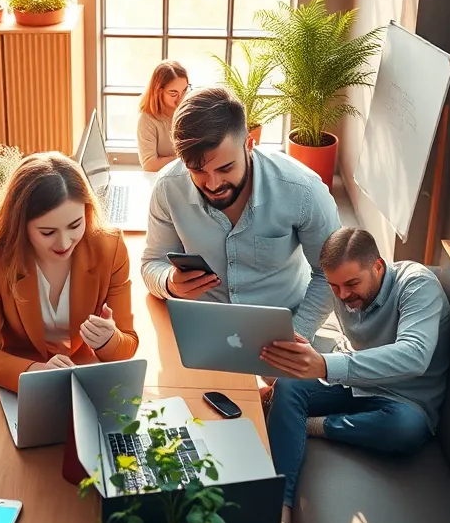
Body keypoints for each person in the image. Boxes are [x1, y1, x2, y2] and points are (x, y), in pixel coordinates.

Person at [262, 227, 450, 523]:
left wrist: (325, 364)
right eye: (335, 286)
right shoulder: (342, 289)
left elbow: (414, 355)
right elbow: (347, 346)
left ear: (378, 266)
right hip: (355, 383)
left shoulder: (417, 285)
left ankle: (313, 425)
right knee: (289, 386)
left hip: (405, 400)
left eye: (352, 284)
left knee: (405, 429)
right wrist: (297, 351)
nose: (344, 295)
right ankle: (281, 507)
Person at [141, 86, 341, 343]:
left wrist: (297, 335)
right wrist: (169, 282)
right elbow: (151, 264)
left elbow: (331, 273)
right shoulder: (168, 187)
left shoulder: (302, 190)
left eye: (225, 168)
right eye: (197, 171)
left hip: (284, 328)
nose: (213, 184)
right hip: (204, 330)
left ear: (249, 144)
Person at [0, 152, 139, 392]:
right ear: (19, 224)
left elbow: (127, 344)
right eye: (47, 232)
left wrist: (109, 340)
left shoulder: (110, 247)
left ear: (87, 212)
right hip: (17, 377)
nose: (64, 243)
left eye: (75, 225)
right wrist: (34, 372)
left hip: (83, 375)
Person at [137, 60, 189, 172]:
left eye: (184, 90)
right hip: (162, 180)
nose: (181, 99)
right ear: (158, 91)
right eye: (173, 93)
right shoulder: (147, 119)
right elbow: (149, 165)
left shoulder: (190, 109)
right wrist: (187, 159)